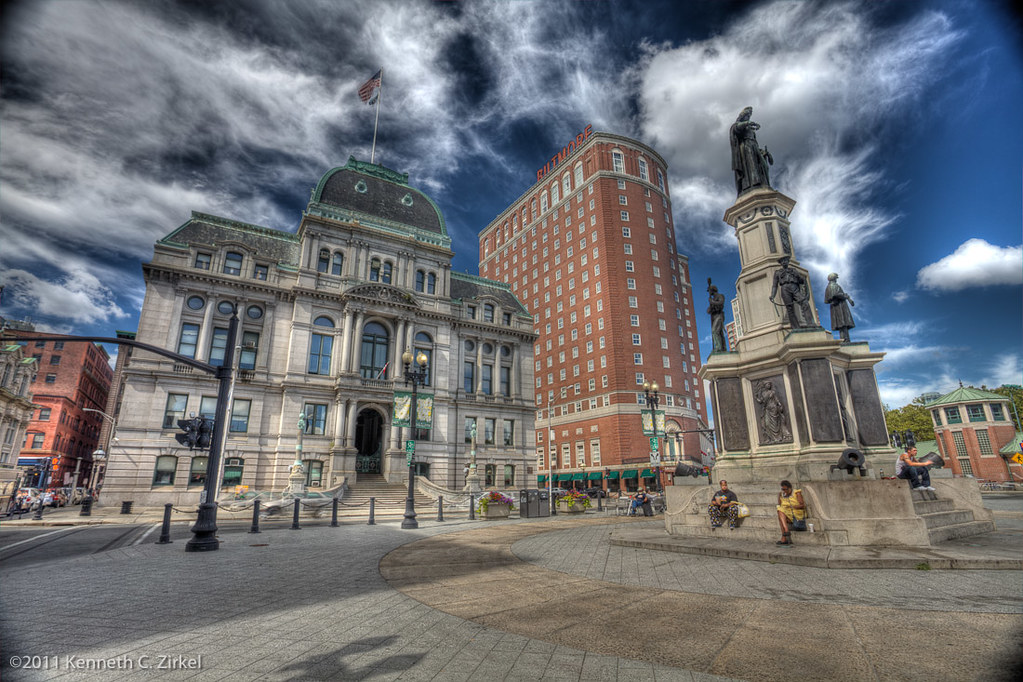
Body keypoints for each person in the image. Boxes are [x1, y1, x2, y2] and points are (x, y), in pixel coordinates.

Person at [729, 106, 773, 196]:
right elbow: (736, 128)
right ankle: (752, 184)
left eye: (750, 115)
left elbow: (755, 141)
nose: (749, 116)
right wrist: (747, 123)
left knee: (764, 166)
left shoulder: (750, 129)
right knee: (751, 166)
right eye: (747, 115)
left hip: (754, 146)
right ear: (743, 116)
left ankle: (763, 184)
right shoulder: (738, 125)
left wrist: (763, 152)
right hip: (746, 147)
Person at [770, 256, 815, 328]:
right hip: (785, 289)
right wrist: (773, 295)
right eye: (782, 261)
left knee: (805, 303)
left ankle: (811, 324)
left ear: (788, 261)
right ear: (780, 263)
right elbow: (774, 285)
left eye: (786, 260)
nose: (784, 262)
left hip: (794, 287)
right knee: (790, 308)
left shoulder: (794, 270)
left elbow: (801, 280)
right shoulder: (777, 272)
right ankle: (796, 327)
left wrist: (803, 280)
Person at [824, 273, 855, 342]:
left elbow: (827, 299)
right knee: (842, 322)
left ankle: (845, 339)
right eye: (835, 278)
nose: (836, 280)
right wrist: (845, 296)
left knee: (842, 324)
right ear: (833, 278)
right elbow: (835, 294)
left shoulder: (829, 287)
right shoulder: (833, 286)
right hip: (839, 306)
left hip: (837, 306)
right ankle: (845, 339)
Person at [775, 480, 806, 545]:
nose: (784, 491)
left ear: (789, 488)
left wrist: (793, 507)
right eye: (782, 489)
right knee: (780, 512)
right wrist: (780, 497)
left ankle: (784, 537)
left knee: (780, 516)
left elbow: (802, 505)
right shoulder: (781, 494)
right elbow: (779, 505)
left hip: (797, 515)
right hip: (788, 514)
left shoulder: (796, 493)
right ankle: (786, 531)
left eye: (785, 489)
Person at [707, 279, 727, 352]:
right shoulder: (713, 299)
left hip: (719, 315)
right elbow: (709, 310)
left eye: (710, 291)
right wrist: (710, 308)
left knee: (714, 331)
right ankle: (722, 348)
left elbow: (721, 303)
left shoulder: (720, 296)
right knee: (719, 333)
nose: (709, 292)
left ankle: (718, 347)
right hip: (714, 316)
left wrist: (712, 302)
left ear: (713, 290)